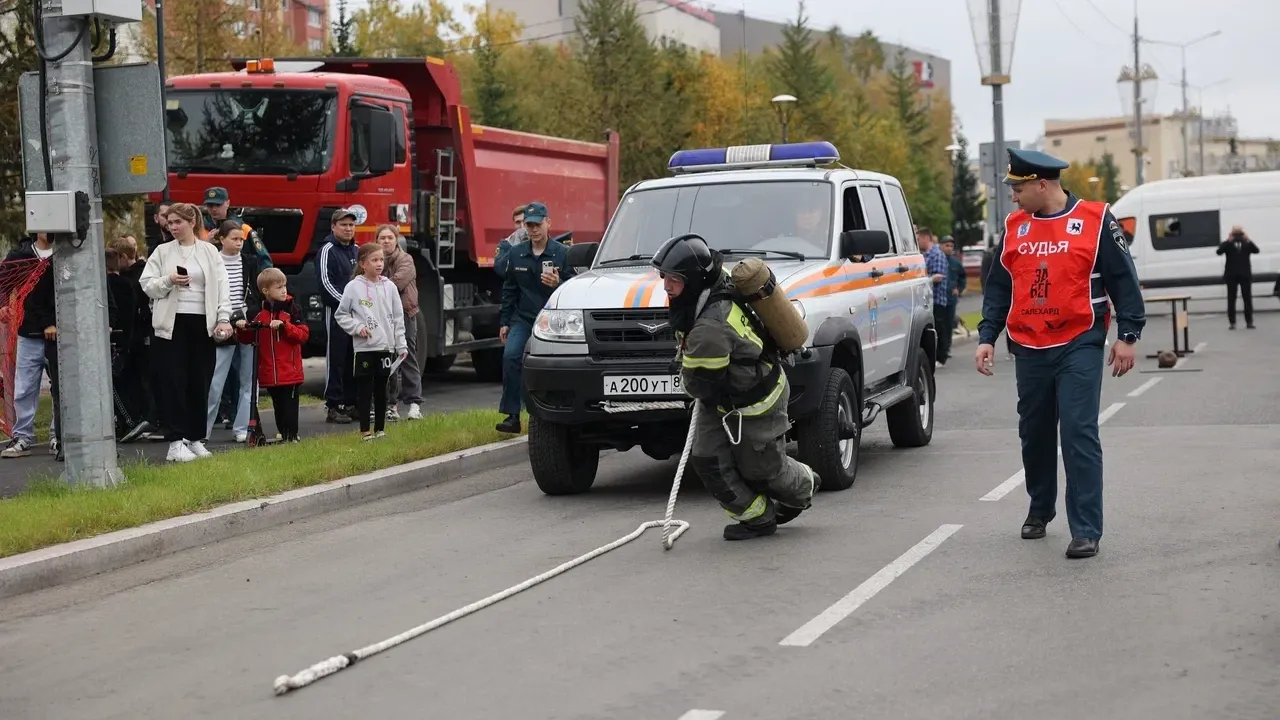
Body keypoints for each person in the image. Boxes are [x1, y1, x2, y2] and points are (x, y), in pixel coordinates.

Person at [975, 148, 1146, 560]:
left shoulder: (1094, 219)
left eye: (1017, 188)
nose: (1012, 197)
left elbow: (1124, 277)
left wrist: (1128, 333)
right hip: (1029, 345)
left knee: (1077, 431)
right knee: (1034, 433)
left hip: (1080, 340)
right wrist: (986, 336)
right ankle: (1040, 507)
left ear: (1042, 184)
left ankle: (1086, 528)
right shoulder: (1014, 227)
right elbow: (1000, 287)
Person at [653, 234, 819, 541]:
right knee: (708, 460)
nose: (666, 285)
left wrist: (690, 368)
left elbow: (699, 384)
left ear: (693, 280)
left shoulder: (710, 329)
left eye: (674, 279)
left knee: (762, 470)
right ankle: (759, 519)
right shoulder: (714, 285)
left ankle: (805, 484)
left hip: (757, 400)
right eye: (663, 277)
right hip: (722, 397)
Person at [140, 203, 234, 463]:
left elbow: (221, 286)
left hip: (202, 324)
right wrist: (169, 280)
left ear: (192, 222)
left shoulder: (209, 252)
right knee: (172, 382)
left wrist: (223, 318)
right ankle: (175, 442)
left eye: (177, 222)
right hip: (171, 325)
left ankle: (194, 438)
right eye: (169, 223)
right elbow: (147, 285)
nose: (172, 227)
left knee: (200, 381)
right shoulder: (161, 251)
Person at [497, 202, 573, 435]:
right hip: (523, 317)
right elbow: (509, 289)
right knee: (511, 356)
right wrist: (505, 321)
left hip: (551, 319)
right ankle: (512, 415)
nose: (533, 230)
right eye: (529, 225)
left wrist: (557, 285)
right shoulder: (516, 253)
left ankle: (556, 411)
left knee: (551, 365)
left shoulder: (562, 253)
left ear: (548, 223)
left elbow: (574, 289)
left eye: (537, 224)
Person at [335, 243, 408, 441]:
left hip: (385, 347)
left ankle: (381, 429)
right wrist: (357, 328)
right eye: (374, 260)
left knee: (381, 389)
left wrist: (401, 344)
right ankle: (365, 430)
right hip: (364, 348)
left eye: (381, 260)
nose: (379, 264)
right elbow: (341, 314)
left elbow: (398, 317)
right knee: (365, 389)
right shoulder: (353, 287)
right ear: (363, 264)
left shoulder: (389, 286)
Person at [0, 233, 62, 461]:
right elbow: (3, 283)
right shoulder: (21, 255)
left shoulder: (66, 253)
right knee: (24, 387)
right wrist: (3, 305)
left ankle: (59, 435)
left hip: (60, 333)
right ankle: (22, 435)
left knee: (61, 387)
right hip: (29, 331)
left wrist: (54, 322)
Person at [237, 268, 310, 443]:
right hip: (269, 371)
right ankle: (284, 435)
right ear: (265, 291)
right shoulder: (257, 313)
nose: (284, 290)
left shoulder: (292, 310)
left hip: (290, 371)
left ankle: (291, 437)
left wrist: (285, 326)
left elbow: (303, 335)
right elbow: (249, 338)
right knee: (278, 406)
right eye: (279, 287)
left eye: (284, 286)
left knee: (289, 408)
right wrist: (242, 328)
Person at [204, 221, 261, 442]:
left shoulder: (250, 262)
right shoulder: (213, 261)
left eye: (241, 240)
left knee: (248, 380)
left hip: (245, 323)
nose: (238, 243)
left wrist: (249, 315)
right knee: (215, 381)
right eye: (234, 239)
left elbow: (257, 292)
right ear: (222, 239)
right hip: (221, 323)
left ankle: (243, 428)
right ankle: (203, 430)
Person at [316, 208, 361, 424]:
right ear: (333, 227)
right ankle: (333, 405)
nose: (348, 228)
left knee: (354, 357)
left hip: (358, 315)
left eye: (351, 225)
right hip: (336, 314)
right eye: (343, 225)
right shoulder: (327, 250)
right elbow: (326, 284)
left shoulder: (358, 251)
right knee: (336, 358)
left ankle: (351, 403)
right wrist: (348, 304)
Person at [377, 225, 423, 422]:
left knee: (407, 357)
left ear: (396, 240)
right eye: (382, 238)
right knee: (387, 360)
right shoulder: (375, 260)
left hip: (405, 313)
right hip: (380, 315)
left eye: (390, 237)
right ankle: (391, 405)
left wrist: (374, 283)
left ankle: (414, 404)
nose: (386, 241)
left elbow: (396, 283)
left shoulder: (406, 259)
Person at [919, 228, 952, 365]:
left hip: (937, 298)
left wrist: (928, 279)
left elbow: (939, 277)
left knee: (939, 327)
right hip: (928, 298)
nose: (918, 242)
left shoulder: (936, 255)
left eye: (919, 239)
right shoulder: (926, 255)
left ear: (926, 238)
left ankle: (941, 356)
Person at [1217, 226, 1258, 330]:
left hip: (1245, 276)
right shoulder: (1228, 244)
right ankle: (1232, 322)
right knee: (1231, 299)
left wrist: (1248, 240)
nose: (1238, 236)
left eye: (1239, 234)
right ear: (1232, 234)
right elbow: (1219, 251)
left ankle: (1249, 322)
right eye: (1236, 234)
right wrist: (1228, 240)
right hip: (1231, 276)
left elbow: (1256, 250)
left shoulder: (1246, 244)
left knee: (1247, 299)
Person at [494, 204, 529, 281]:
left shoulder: (540, 242)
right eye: (518, 222)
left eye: (525, 221)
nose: (522, 226)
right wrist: (517, 248)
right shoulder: (506, 244)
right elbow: (500, 270)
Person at [941, 236, 967, 332]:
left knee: (949, 324)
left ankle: (947, 346)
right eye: (946, 245)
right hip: (939, 298)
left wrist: (959, 289)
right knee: (940, 324)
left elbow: (962, 277)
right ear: (941, 246)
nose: (949, 248)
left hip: (951, 298)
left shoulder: (955, 262)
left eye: (951, 246)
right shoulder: (937, 260)